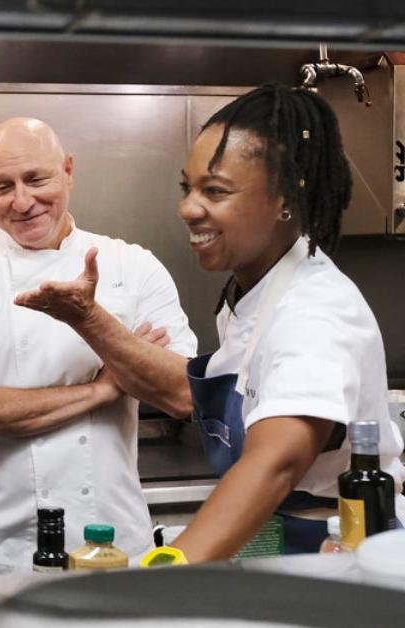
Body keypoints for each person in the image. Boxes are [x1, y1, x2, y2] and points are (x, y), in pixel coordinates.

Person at [0, 117, 198, 570]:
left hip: (114, 547)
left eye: (36, 179)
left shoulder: (132, 266)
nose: (22, 201)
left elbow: (184, 394)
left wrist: (91, 320)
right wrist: (104, 389)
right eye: (3, 186)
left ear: (68, 170)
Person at [167, 84, 405, 560]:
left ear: (283, 201)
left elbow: (275, 464)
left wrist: (166, 574)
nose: (189, 208)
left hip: (334, 550)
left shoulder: (316, 311)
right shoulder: (250, 288)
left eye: (214, 190)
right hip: (273, 542)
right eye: (186, 187)